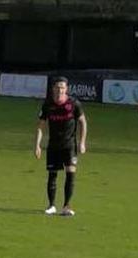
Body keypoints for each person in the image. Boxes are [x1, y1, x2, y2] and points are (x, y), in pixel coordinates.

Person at [35, 77, 87, 217]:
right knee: (52, 175)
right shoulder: (48, 105)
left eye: (63, 87)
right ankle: (51, 205)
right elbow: (41, 125)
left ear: (67, 89)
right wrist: (37, 145)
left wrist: (82, 142)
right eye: (57, 87)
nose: (60, 90)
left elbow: (83, 122)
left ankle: (66, 206)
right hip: (53, 145)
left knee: (70, 173)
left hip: (69, 145)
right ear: (53, 89)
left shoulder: (74, 104)